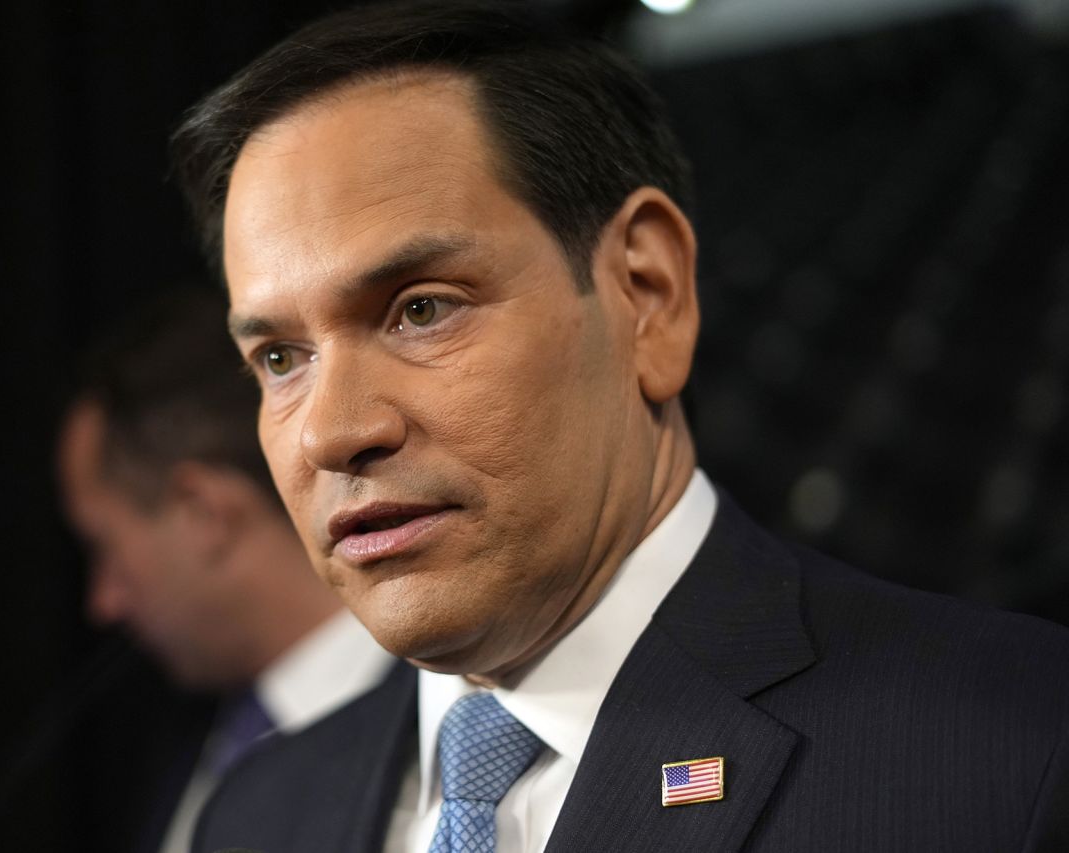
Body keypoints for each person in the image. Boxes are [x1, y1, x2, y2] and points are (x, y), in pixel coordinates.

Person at [169, 3, 1069, 851]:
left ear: (648, 294)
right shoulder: (256, 814)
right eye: (281, 358)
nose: (331, 432)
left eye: (422, 309)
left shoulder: (1013, 749)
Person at [56, 288, 393, 853]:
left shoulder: (452, 723)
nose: (104, 600)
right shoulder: (188, 748)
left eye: (105, 548)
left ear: (204, 512)